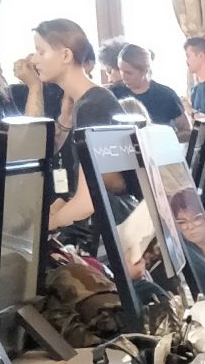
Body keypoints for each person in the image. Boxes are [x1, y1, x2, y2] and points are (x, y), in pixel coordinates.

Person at [14, 19, 124, 232]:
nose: (34, 60)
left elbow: (88, 202)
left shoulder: (93, 105)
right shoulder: (88, 101)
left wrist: (42, 228)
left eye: (41, 52)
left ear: (66, 55)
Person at [115, 44, 191, 137]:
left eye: (128, 73)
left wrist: (166, 137)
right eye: (121, 70)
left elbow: (186, 130)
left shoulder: (166, 96)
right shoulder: (113, 95)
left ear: (145, 71)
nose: (123, 77)